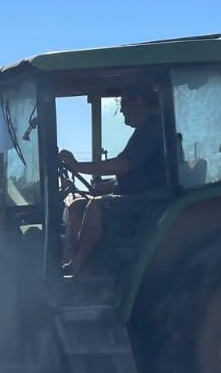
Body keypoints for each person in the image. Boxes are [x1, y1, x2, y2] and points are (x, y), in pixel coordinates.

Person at [58, 85, 167, 272]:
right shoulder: (146, 129)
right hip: (139, 196)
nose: (122, 109)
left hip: (153, 201)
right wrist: (106, 186)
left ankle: (79, 266)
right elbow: (137, 173)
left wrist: (78, 166)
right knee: (76, 206)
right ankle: (73, 262)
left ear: (140, 100)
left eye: (124, 102)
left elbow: (123, 164)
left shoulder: (154, 127)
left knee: (96, 206)